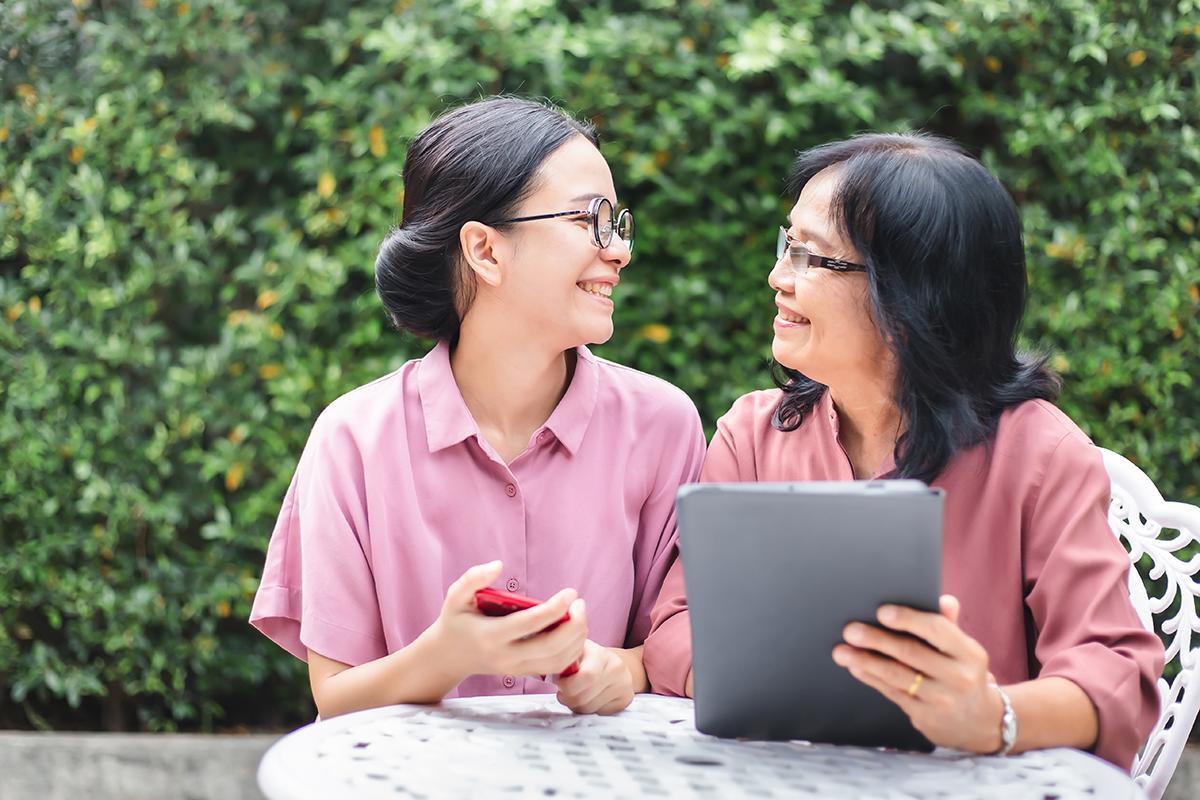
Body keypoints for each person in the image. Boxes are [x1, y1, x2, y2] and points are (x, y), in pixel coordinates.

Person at [643, 132, 1163, 767]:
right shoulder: (753, 435)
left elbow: (1117, 679)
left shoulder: (1041, 455)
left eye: (813, 257)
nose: (777, 276)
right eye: (788, 245)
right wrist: (759, 684)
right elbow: (673, 627)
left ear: (913, 296)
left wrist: (990, 714)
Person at [250, 96, 705, 719]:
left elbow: (674, 644)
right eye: (589, 220)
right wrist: (448, 653)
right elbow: (336, 698)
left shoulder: (663, 425)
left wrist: (617, 669)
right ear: (485, 251)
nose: (619, 250)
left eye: (618, 222)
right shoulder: (352, 439)